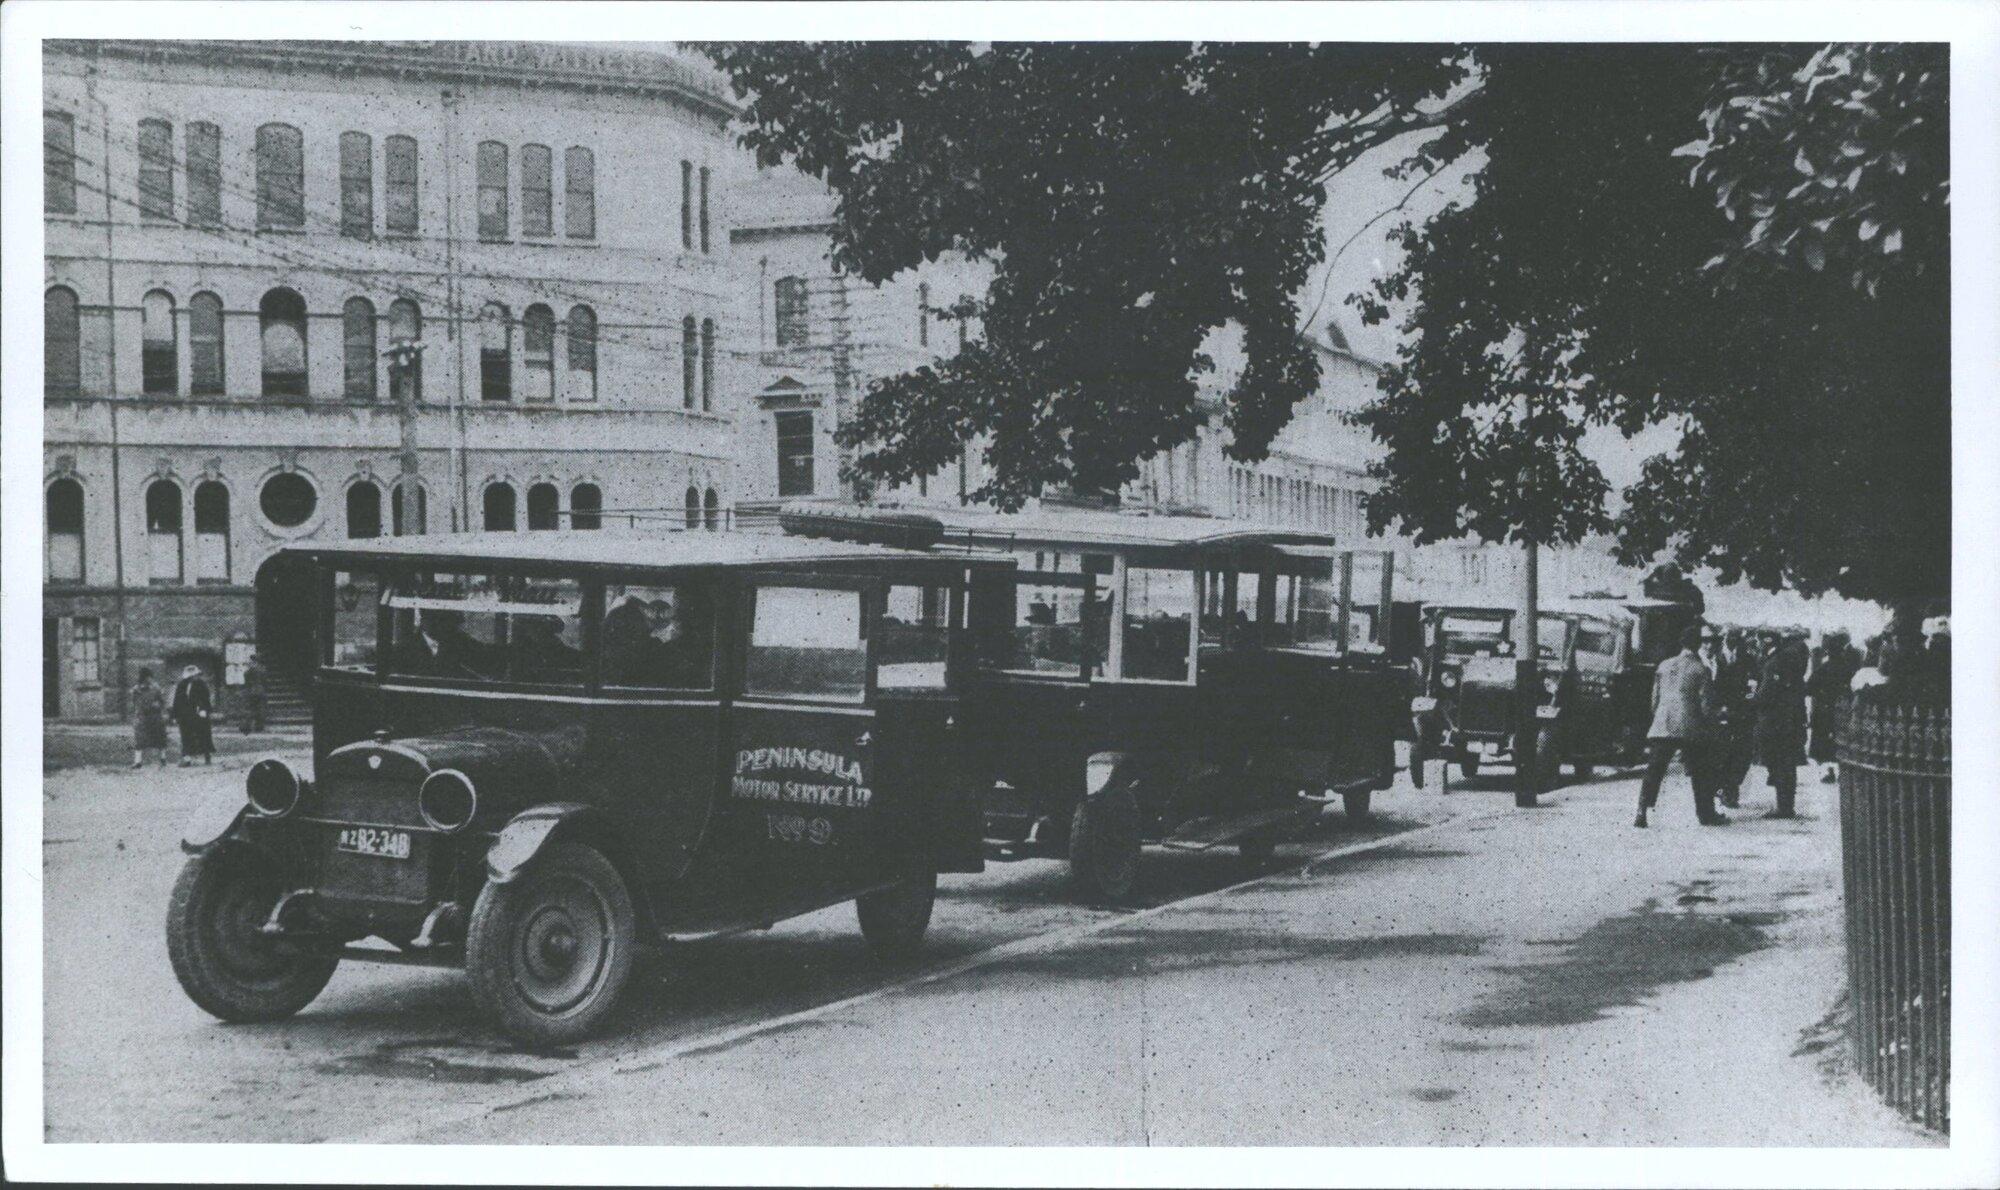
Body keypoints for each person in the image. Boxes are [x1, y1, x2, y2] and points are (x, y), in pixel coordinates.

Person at [1635, 625, 1724, 828]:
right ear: (1698, 643)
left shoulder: (1664, 665)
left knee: (1654, 771)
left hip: (1662, 724)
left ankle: (1641, 811)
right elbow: (1706, 706)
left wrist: (1660, 718)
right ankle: (1705, 814)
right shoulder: (1701, 669)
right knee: (1701, 771)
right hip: (1690, 727)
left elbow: (1654, 701)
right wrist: (1712, 726)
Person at [1756, 638, 1810, 817]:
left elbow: (1765, 695)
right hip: (1790, 722)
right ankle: (1787, 806)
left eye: (1760, 640)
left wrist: (1751, 700)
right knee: (1787, 765)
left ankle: (1783, 807)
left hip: (1775, 722)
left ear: (1768, 642)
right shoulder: (1790, 661)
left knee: (1779, 764)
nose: (1759, 644)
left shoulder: (1773, 663)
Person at [1708, 629, 1758, 808]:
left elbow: (1754, 682)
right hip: (1720, 712)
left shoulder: (1748, 658)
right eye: (1729, 637)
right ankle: (1722, 787)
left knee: (1742, 751)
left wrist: (1750, 699)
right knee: (1721, 750)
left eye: (1735, 638)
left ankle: (1732, 786)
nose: (1732, 641)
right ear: (1724, 638)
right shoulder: (1714, 657)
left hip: (1742, 712)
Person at [1807, 630, 1859, 782]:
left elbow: (1809, 687)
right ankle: (1844, 769)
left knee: (1824, 743)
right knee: (1842, 739)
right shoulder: (1849, 668)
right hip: (1843, 709)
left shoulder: (1823, 669)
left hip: (1824, 709)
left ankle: (1829, 771)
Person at [170, 664, 215, 767]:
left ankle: (207, 756)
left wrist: (204, 710)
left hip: (199, 714)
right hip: (185, 715)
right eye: (195, 675)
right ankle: (187, 758)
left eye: (197, 675)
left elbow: (205, 699)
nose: (197, 677)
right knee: (186, 736)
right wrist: (175, 715)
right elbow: (177, 700)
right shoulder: (182, 685)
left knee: (203, 734)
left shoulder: (201, 685)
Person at [129, 668, 170, 769]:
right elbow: (133, 702)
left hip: (155, 716)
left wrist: (158, 705)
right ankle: (137, 761)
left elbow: (162, 701)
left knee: (160, 738)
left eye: (150, 678)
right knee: (139, 739)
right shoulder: (136, 689)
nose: (149, 680)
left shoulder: (156, 688)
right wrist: (136, 712)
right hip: (142, 717)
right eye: (148, 678)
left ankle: (163, 758)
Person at [238, 655, 268, 735]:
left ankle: (246, 727)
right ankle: (259, 727)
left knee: (249, 709)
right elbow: (265, 681)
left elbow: (246, 682)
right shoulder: (262, 670)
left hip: (250, 692)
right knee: (260, 709)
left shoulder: (248, 672)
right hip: (260, 691)